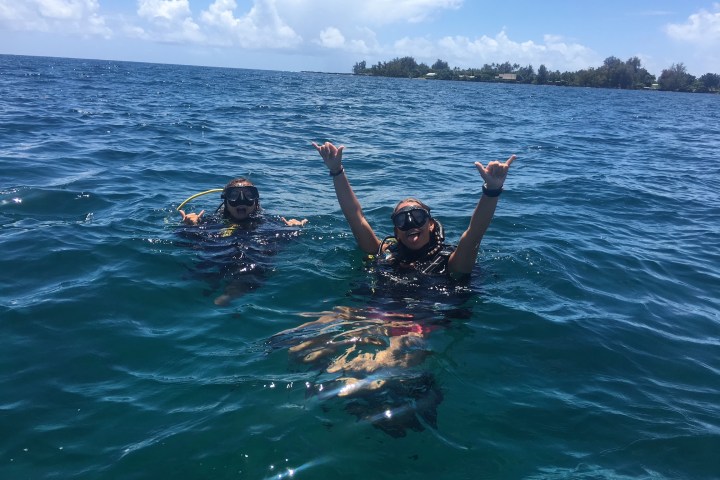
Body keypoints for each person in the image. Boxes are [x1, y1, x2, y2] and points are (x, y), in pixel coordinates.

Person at [312, 141, 515, 276]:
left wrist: (492, 190)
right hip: (377, 309)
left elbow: (474, 234)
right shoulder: (384, 252)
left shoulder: (451, 262)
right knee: (326, 321)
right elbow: (356, 218)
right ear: (396, 232)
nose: (410, 223)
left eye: (418, 216)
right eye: (401, 219)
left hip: (422, 319)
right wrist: (337, 171)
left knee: (400, 341)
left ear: (432, 226)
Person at [176, 177, 307, 305]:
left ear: (256, 202)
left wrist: (293, 230)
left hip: (252, 260)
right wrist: (190, 227)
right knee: (195, 273)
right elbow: (186, 242)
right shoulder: (210, 222)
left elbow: (282, 240)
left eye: (248, 195)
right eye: (234, 195)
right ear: (226, 201)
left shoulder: (268, 223)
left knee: (256, 261)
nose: (241, 201)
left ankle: (234, 291)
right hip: (217, 257)